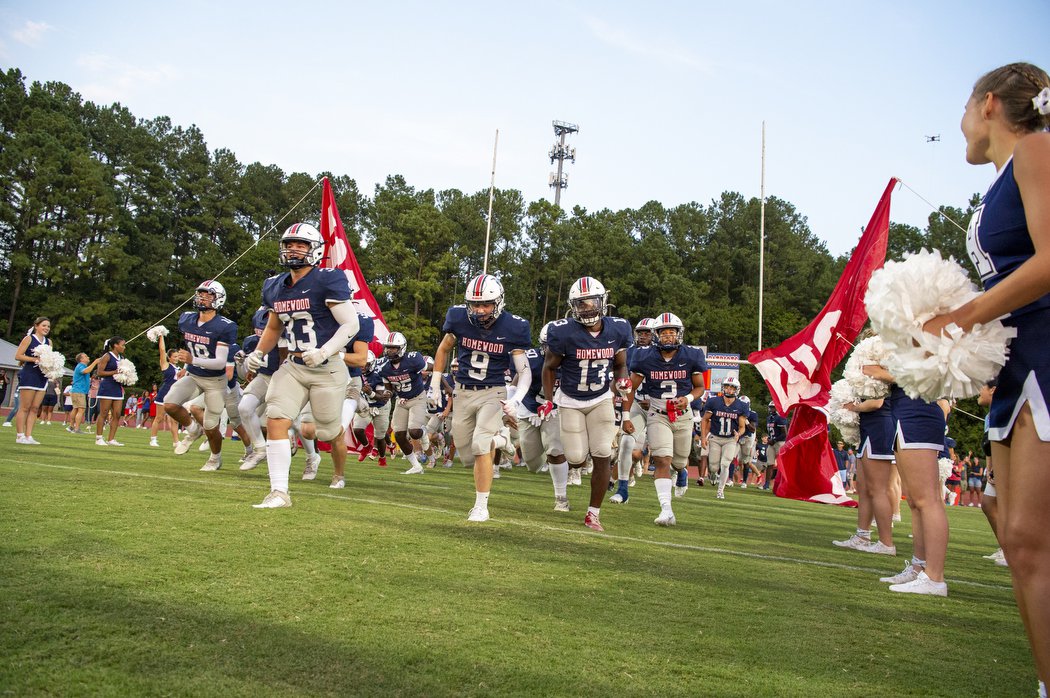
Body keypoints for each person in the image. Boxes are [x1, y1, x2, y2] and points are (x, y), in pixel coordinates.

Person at [925, 66, 1050, 672]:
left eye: (965, 106)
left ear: (990, 104)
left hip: (1047, 353)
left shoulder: (1037, 149)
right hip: (1018, 360)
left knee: (1029, 540)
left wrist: (962, 316)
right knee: (1020, 540)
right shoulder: (1003, 176)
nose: (960, 123)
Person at [245, 222, 359, 508]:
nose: (293, 249)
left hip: (328, 367)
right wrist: (259, 352)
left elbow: (351, 324)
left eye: (301, 244)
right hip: (293, 365)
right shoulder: (274, 286)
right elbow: (273, 327)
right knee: (277, 419)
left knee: (326, 431)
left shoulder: (327, 279)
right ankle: (279, 492)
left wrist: (325, 351)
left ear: (315, 250)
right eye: (289, 244)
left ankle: (333, 456)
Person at [431, 273, 531, 523]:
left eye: (486, 304)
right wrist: (434, 383)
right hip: (463, 392)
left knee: (478, 446)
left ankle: (480, 506)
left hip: (493, 392)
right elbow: (444, 348)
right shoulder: (458, 318)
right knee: (466, 457)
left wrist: (515, 400)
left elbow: (524, 371)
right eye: (475, 304)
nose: (480, 310)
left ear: (499, 302)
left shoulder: (514, 326)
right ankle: (501, 440)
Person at [541, 277, 630, 532]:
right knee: (577, 458)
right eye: (581, 304)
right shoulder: (563, 332)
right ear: (573, 306)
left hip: (600, 398)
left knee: (603, 452)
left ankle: (593, 513)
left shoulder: (618, 329)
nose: (588, 308)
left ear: (603, 302)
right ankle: (577, 467)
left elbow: (620, 363)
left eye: (592, 302)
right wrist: (549, 401)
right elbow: (549, 367)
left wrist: (622, 381)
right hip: (569, 400)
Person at [623, 312, 707, 526]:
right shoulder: (644, 356)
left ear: (679, 334)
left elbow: (699, 387)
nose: (668, 336)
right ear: (656, 335)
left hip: (683, 415)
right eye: (663, 332)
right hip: (657, 414)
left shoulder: (691, 355)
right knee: (662, 459)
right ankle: (666, 510)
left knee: (679, 461)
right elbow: (630, 388)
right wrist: (625, 414)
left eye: (672, 332)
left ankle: (682, 472)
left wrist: (687, 398)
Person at [164, 280, 238, 471]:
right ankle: (193, 429)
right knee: (170, 404)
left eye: (208, 294)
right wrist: (188, 366)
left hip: (215, 380)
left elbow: (221, 362)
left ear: (218, 299)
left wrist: (191, 360)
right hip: (194, 376)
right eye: (200, 293)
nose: (202, 297)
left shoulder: (225, 326)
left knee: (211, 424)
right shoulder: (186, 319)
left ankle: (215, 457)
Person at [379, 332, 430, 475]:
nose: (389, 350)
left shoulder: (413, 359)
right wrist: (387, 394)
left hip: (417, 397)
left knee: (414, 432)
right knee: (399, 434)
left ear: (401, 348)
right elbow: (389, 388)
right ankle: (416, 465)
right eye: (388, 347)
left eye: (393, 348)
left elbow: (429, 366)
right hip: (401, 400)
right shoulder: (384, 367)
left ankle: (422, 431)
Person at [701, 375, 748, 500]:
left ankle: (720, 491)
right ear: (723, 388)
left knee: (725, 464)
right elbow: (705, 419)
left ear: (737, 390)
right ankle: (713, 475)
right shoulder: (714, 401)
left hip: (730, 439)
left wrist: (739, 433)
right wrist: (703, 437)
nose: (729, 390)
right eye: (727, 387)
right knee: (713, 467)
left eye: (732, 388)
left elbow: (742, 426)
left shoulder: (742, 406)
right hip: (715, 437)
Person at [13, 317, 54, 445]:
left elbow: (50, 358)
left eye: (48, 326)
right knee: (25, 407)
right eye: (44, 325)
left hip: (42, 377)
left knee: (35, 408)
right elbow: (18, 356)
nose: (46, 328)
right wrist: (34, 359)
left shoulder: (49, 342)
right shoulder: (29, 339)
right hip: (29, 374)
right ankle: (20, 436)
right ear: (36, 326)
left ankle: (29, 435)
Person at [150, 337, 183, 447]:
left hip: (174, 396)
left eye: (178, 356)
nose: (176, 358)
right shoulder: (166, 365)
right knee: (159, 418)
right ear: (169, 358)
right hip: (164, 394)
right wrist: (161, 336)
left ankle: (176, 442)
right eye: (174, 356)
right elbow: (162, 350)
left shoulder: (178, 368)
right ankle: (153, 440)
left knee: (174, 420)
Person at [94, 337, 127, 446]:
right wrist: (115, 372)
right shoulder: (107, 356)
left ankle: (111, 439)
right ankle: (99, 438)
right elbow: (99, 372)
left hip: (118, 388)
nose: (124, 347)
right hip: (107, 386)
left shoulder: (121, 357)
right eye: (122, 345)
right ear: (115, 345)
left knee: (117, 414)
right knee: (103, 412)